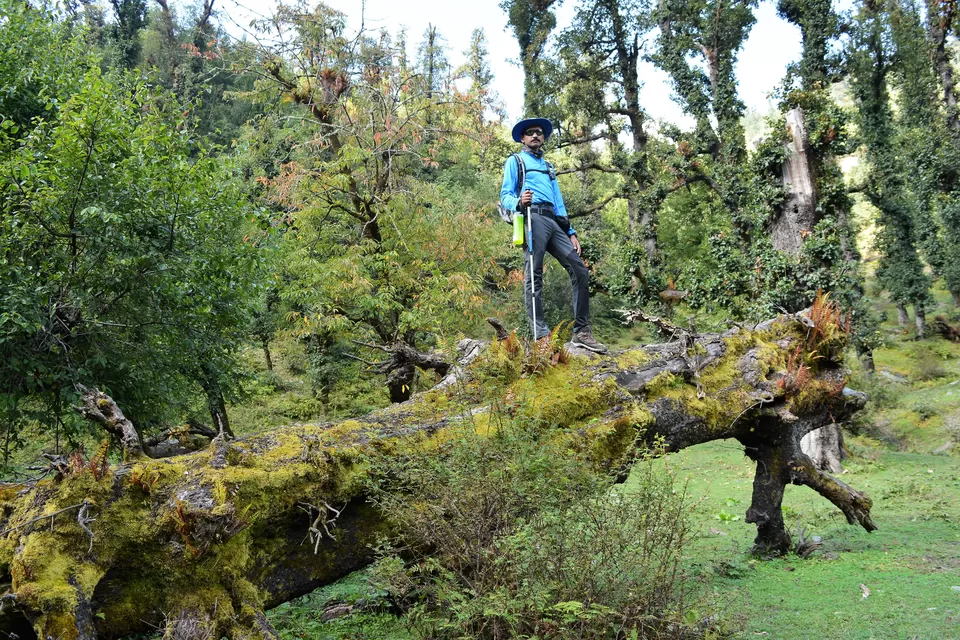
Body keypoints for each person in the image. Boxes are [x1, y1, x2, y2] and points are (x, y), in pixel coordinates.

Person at [500, 117, 607, 353]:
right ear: (522, 138)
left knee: (579, 269)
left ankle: (581, 332)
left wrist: (570, 231)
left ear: (543, 137)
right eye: (529, 133)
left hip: (553, 221)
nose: (535, 135)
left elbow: (558, 201)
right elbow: (505, 195)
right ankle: (541, 337)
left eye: (538, 132)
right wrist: (518, 201)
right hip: (532, 217)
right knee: (534, 275)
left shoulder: (549, 167)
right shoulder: (515, 161)